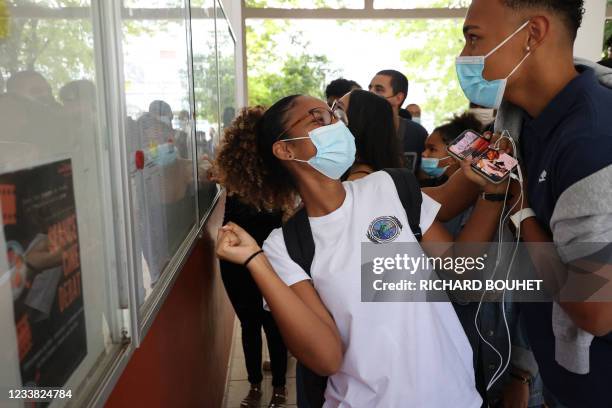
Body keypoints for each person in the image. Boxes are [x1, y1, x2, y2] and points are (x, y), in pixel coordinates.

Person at [213, 94, 517, 407]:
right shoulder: (286, 245)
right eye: (318, 118)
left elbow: (461, 270)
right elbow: (327, 359)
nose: (335, 125)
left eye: (334, 115)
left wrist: (492, 196)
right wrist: (255, 262)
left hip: (454, 396)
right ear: (286, 149)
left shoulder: (386, 187)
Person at [458, 1, 612, 406]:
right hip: (556, 372)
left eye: (474, 39)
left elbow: (595, 310)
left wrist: (522, 213)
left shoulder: (592, 142)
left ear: (533, 34)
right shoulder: (517, 119)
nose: (464, 58)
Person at [219, 196, 288, 408]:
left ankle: (279, 386)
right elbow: (228, 225)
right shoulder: (235, 186)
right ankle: (255, 385)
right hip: (237, 266)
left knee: (273, 326)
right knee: (250, 326)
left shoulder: (278, 182)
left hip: (272, 261)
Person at [331, 89, 402, 181]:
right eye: (333, 107)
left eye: (338, 110)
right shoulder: (353, 170)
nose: (331, 117)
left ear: (361, 124)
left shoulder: (358, 181)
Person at [369, 70, 428, 171]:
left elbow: (422, 176)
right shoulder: (361, 128)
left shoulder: (417, 133)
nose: (370, 93)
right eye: (370, 88)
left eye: (379, 89)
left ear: (398, 98)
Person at [418, 112, 483, 187]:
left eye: (432, 149)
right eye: (425, 148)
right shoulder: (432, 183)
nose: (423, 153)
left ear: (455, 156)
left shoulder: (459, 192)